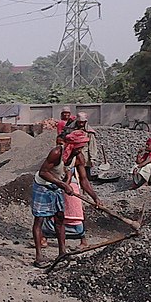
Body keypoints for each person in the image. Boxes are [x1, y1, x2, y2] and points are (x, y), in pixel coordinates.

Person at [32, 129, 101, 268]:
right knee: (39, 219)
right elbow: (43, 172)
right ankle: (39, 256)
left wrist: (95, 197)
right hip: (43, 185)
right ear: (72, 145)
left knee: (60, 219)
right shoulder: (56, 153)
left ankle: (62, 252)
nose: (81, 149)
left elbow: (84, 180)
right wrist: (63, 184)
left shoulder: (79, 157)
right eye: (79, 147)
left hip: (57, 186)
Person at [40, 167, 88, 248]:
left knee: (75, 213)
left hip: (69, 186)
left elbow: (74, 175)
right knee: (51, 213)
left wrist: (65, 185)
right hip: (55, 183)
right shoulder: (53, 158)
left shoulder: (75, 159)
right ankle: (44, 238)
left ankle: (83, 240)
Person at [73, 112, 99, 178]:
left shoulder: (89, 132)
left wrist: (92, 158)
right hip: (74, 154)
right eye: (79, 122)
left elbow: (92, 146)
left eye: (83, 122)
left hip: (85, 155)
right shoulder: (72, 130)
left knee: (85, 174)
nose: (81, 124)